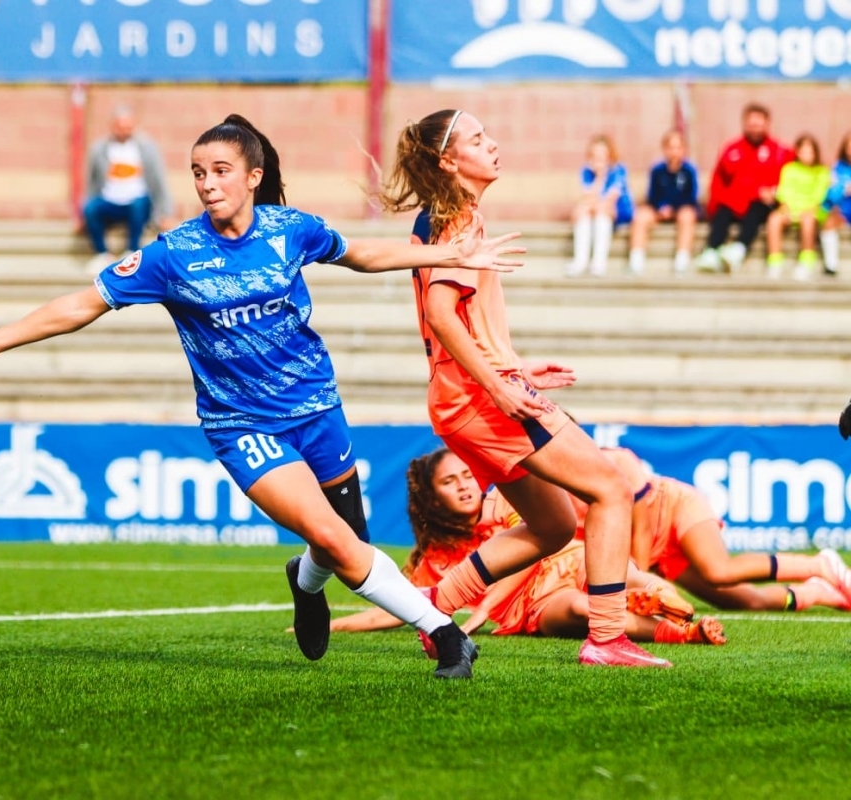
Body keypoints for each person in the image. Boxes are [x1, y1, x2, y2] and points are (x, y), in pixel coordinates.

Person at [0, 114, 526, 680]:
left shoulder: (291, 230)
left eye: (220, 171)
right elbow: (81, 304)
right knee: (341, 542)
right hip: (243, 426)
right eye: (198, 173)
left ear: (254, 177)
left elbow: (359, 254)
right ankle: (446, 636)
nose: (207, 184)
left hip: (317, 408)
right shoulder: (174, 254)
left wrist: (445, 252)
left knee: (342, 539)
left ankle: (305, 583)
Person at [379, 108, 670, 668]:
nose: (492, 144)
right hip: (481, 397)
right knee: (611, 490)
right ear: (448, 161)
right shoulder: (458, 217)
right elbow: (441, 314)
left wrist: (514, 366)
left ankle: (436, 606)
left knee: (555, 525)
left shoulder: (439, 216)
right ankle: (607, 638)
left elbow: (454, 323)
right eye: (477, 139)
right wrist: (499, 382)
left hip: (460, 397)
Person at [327, 449, 724, 647]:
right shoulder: (433, 561)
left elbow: (531, 553)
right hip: (532, 607)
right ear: (431, 498)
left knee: (624, 574)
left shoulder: (504, 502)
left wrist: (484, 607)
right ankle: (680, 632)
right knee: (581, 608)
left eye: (467, 475)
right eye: (449, 482)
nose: (464, 486)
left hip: (565, 562)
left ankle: (659, 598)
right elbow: (397, 606)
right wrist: (329, 625)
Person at [595, 446, 851, 613]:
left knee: (718, 571)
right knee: (749, 602)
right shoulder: (569, 492)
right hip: (657, 557)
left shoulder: (616, 460)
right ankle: (816, 592)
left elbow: (642, 527)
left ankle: (819, 565)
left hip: (675, 509)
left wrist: (639, 584)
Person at [695, 103, 792, 274]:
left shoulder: (780, 151)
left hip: (762, 205)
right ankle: (712, 250)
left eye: (759, 124)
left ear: (767, 124)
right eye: (751, 124)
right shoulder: (732, 149)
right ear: (745, 124)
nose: (755, 129)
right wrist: (713, 206)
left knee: (757, 209)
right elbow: (719, 180)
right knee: (723, 211)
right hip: (735, 202)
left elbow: (792, 178)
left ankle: (738, 249)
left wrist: (776, 194)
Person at [83, 106, 174, 274]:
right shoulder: (99, 149)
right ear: (112, 126)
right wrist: (82, 214)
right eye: (120, 127)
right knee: (90, 208)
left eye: (128, 127)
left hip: (138, 202)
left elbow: (158, 181)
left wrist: (165, 213)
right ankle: (103, 254)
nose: (124, 131)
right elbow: (91, 182)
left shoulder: (146, 147)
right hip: (110, 201)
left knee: (139, 203)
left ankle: (132, 250)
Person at [626, 129, 699, 276]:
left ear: (683, 149)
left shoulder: (689, 170)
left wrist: (673, 208)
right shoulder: (657, 170)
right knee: (640, 216)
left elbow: (691, 197)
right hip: (659, 210)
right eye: (671, 147)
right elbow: (652, 195)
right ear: (665, 149)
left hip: (680, 210)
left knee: (687, 216)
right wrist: (661, 207)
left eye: (678, 148)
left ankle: (682, 259)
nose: (674, 152)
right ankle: (636, 259)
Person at [764, 134, 831, 281]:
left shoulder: (822, 171)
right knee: (774, 219)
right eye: (803, 151)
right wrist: (785, 208)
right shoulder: (789, 169)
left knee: (808, 220)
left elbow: (820, 195)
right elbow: (784, 191)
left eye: (809, 151)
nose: (806, 155)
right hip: (790, 209)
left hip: (811, 210)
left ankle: (806, 260)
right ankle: (775, 261)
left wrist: (809, 210)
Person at [565, 134, 633, 277]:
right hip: (595, 209)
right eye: (595, 154)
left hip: (618, 210)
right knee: (584, 214)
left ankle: (599, 263)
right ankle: (581, 261)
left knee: (597, 213)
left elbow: (610, 200)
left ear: (609, 154)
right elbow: (588, 197)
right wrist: (599, 177)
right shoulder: (586, 171)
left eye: (602, 153)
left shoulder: (618, 170)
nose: (598, 158)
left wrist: (603, 175)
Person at [819, 132, 851, 276]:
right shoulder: (838, 168)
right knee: (828, 222)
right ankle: (831, 265)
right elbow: (831, 195)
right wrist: (844, 189)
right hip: (844, 212)